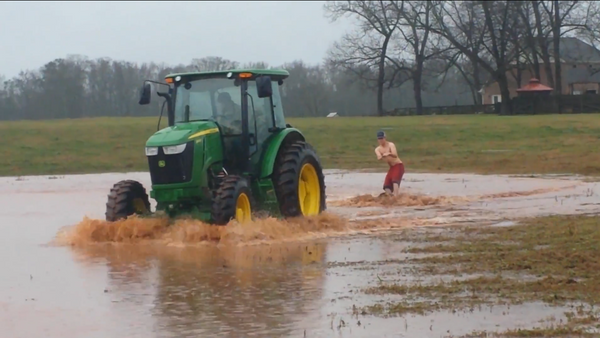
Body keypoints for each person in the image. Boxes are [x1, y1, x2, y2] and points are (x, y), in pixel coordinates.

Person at [374, 130, 405, 196]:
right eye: (379, 139)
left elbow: (395, 154)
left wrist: (388, 153)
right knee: (386, 185)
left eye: (382, 138)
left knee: (395, 181)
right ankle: (390, 196)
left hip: (398, 165)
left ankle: (396, 196)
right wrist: (380, 156)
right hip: (392, 167)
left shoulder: (391, 145)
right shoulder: (377, 149)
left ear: (385, 138)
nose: (381, 140)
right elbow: (378, 156)